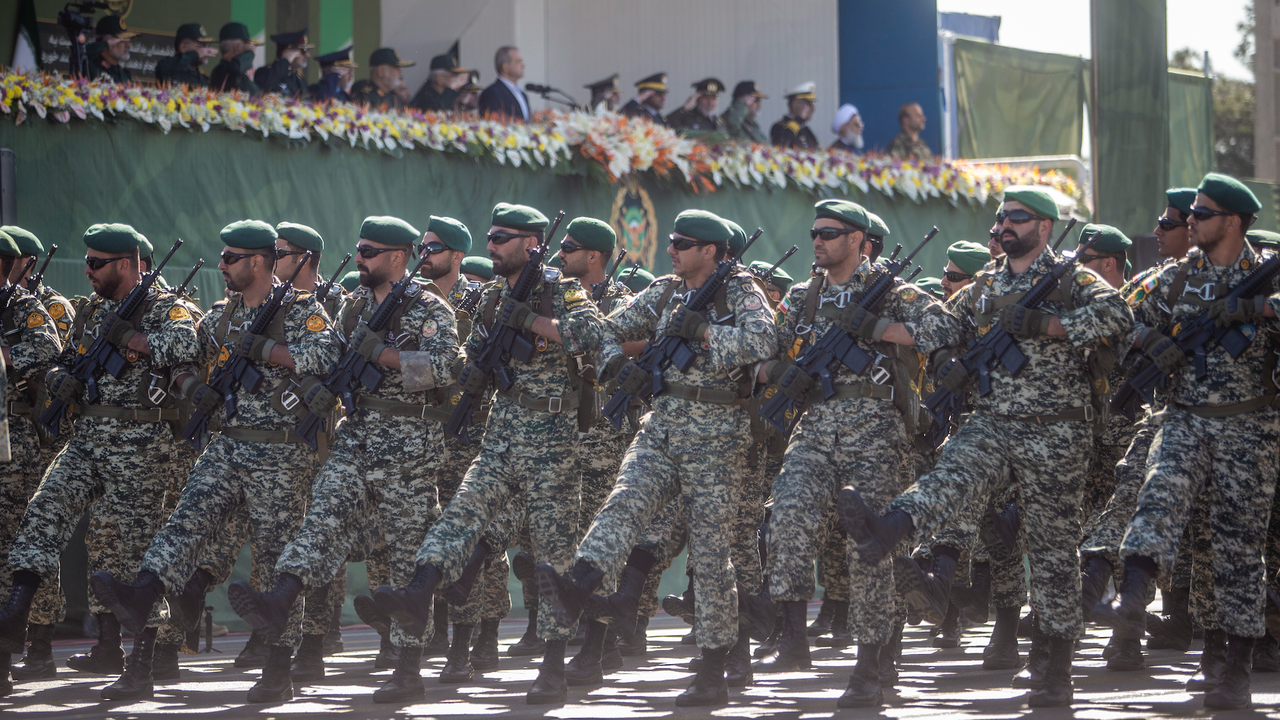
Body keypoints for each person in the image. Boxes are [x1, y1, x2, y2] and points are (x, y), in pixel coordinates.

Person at [840, 186, 1133, 708]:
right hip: (994, 419)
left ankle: (1052, 665)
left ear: (1043, 228)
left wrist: (1051, 324)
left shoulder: (1072, 279)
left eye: (1017, 219)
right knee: (951, 474)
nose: (1005, 226)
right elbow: (938, 323)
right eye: (1001, 218)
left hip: (1056, 430)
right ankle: (890, 529)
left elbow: (1120, 317)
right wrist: (942, 349)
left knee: (1050, 551)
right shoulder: (985, 285)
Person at [370, 202, 619, 704]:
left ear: (531, 244)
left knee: (553, 553)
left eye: (501, 239)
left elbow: (595, 336)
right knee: (459, 516)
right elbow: (468, 360)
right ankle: (420, 594)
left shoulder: (561, 289)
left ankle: (552, 666)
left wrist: (531, 320)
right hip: (502, 435)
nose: (491, 247)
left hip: (552, 438)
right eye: (490, 238)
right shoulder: (487, 299)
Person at [90, 220, 338, 704]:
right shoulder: (221, 316)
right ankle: (144, 592)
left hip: (280, 450)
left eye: (230, 258)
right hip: (226, 444)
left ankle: (278, 666)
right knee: (185, 523)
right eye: (221, 257)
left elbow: (328, 354)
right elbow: (178, 350)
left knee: (275, 556)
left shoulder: (302, 310)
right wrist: (186, 383)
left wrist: (267, 349)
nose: (221, 266)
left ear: (258, 262)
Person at [540, 209, 777, 707]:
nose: (671, 249)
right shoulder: (668, 289)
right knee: (622, 504)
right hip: (663, 424)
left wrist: (706, 332)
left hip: (717, 435)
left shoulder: (741, 291)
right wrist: (612, 363)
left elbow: (763, 343)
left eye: (682, 243)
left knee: (712, 555)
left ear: (710, 251)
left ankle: (716, 666)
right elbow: (607, 327)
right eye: (670, 240)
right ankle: (579, 585)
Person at [229, 216, 461, 703]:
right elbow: (330, 358)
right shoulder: (353, 309)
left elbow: (444, 370)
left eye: (370, 252)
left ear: (398, 257)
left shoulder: (428, 308)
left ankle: (408, 667)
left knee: (405, 554)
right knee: (320, 520)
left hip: (410, 445)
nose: (360, 259)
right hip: (355, 438)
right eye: (358, 250)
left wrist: (385, 356)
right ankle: (281, 604)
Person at [747, 199, 959, 708]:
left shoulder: (894, 293)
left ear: (859, 242)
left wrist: (878, 331)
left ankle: (872, 663)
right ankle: (793, 636)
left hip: (877, 433)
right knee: (788, 516)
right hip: (815, 426)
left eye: (830, 233)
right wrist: (778, 374)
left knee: (870, 550)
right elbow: (760, 352)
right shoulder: (803, 296)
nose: (817, 240)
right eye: (815, 231)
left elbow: (948, 331)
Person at [0, 224, 204, 701]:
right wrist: (57, 375)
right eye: (87, 262)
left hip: (140, 444)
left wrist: (130, 339)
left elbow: (186, 348)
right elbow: (68, 357)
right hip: (89, 437)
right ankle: (15, 615)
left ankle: (143, 664)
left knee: (136, 555)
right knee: (42, 514)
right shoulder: (90, 311)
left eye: (97, 264)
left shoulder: (165, 307)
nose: (88, 270)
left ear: (127, 265)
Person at [1100, 173, 1280, 710]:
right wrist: (1149, 338)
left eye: (1201, 215)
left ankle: (1234, 668)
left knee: (1237, 552)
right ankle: (1133, 595)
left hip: (1250, 427)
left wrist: (1255, 309)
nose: (1190, 222)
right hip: (1184, 418)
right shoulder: (1175, 279)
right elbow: (1112, 314)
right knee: (1158, 496)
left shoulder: (1267, 275)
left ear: (1232, 221)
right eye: (1191, 214)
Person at [0, 230, 62, 693]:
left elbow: (48, 352)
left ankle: (32, 644)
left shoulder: (25, 307)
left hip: (18, 441)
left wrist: (4, 356)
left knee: (22, 543)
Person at [154, 23, 217, 88]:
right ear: (183, 47)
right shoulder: (167, 67)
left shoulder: (204, 79)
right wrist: (197, 54)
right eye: (201, 45)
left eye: (207, 45)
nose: (206, 49)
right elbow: (166, 68)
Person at [256, 27, 312, 98]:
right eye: (302, 50)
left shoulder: (299, 79)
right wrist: (285, 61)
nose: (307, 55)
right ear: (287, 52)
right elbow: (265, 86)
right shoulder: (264, 73)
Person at [478, 46, 530, 121]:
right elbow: (491, 126)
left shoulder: (523, 95)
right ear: (505, 66)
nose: (523, 66)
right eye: (518, 62)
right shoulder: (491, 93)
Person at [210, 22, 262, 95]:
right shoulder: (223, 70)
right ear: (237, 47)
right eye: (245, 47)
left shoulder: (236, 71)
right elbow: (236, 68)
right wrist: (250, 53)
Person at [86, 15, 136, 83]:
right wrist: (106, 44)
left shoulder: (124, 74)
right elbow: (80, 52)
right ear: (110, 42)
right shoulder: (90, 66)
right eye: (122, 41)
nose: (129, 45)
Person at [771, 82, 818, 150]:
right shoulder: (780, 127)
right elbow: (783, 145)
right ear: (795, 104)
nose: (813, 108)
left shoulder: (805, 128)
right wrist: (798, 120)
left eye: (814, 103)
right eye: (809, 103)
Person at [1155, 187, 1196, 259]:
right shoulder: (1168, 268)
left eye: (1166, 224)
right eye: (1160, 222)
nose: (1157, 231)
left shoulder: (1212, 269)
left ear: (1191, 228)